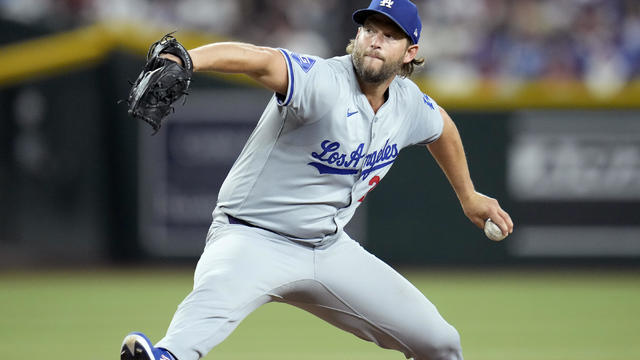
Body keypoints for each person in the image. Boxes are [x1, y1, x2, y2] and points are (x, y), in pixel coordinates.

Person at [120, 1, 514, 359]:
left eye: (390, 35)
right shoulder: (323, 80)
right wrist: (185, 59)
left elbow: (441, 126)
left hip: (328, 249)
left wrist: (468, 194)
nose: (376, 41)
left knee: (441, 344)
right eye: (369, 30)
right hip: (251, 238)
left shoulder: (409, 103)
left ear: (410, 52)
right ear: (356, 36)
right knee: (200, 321)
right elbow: (258, 60)